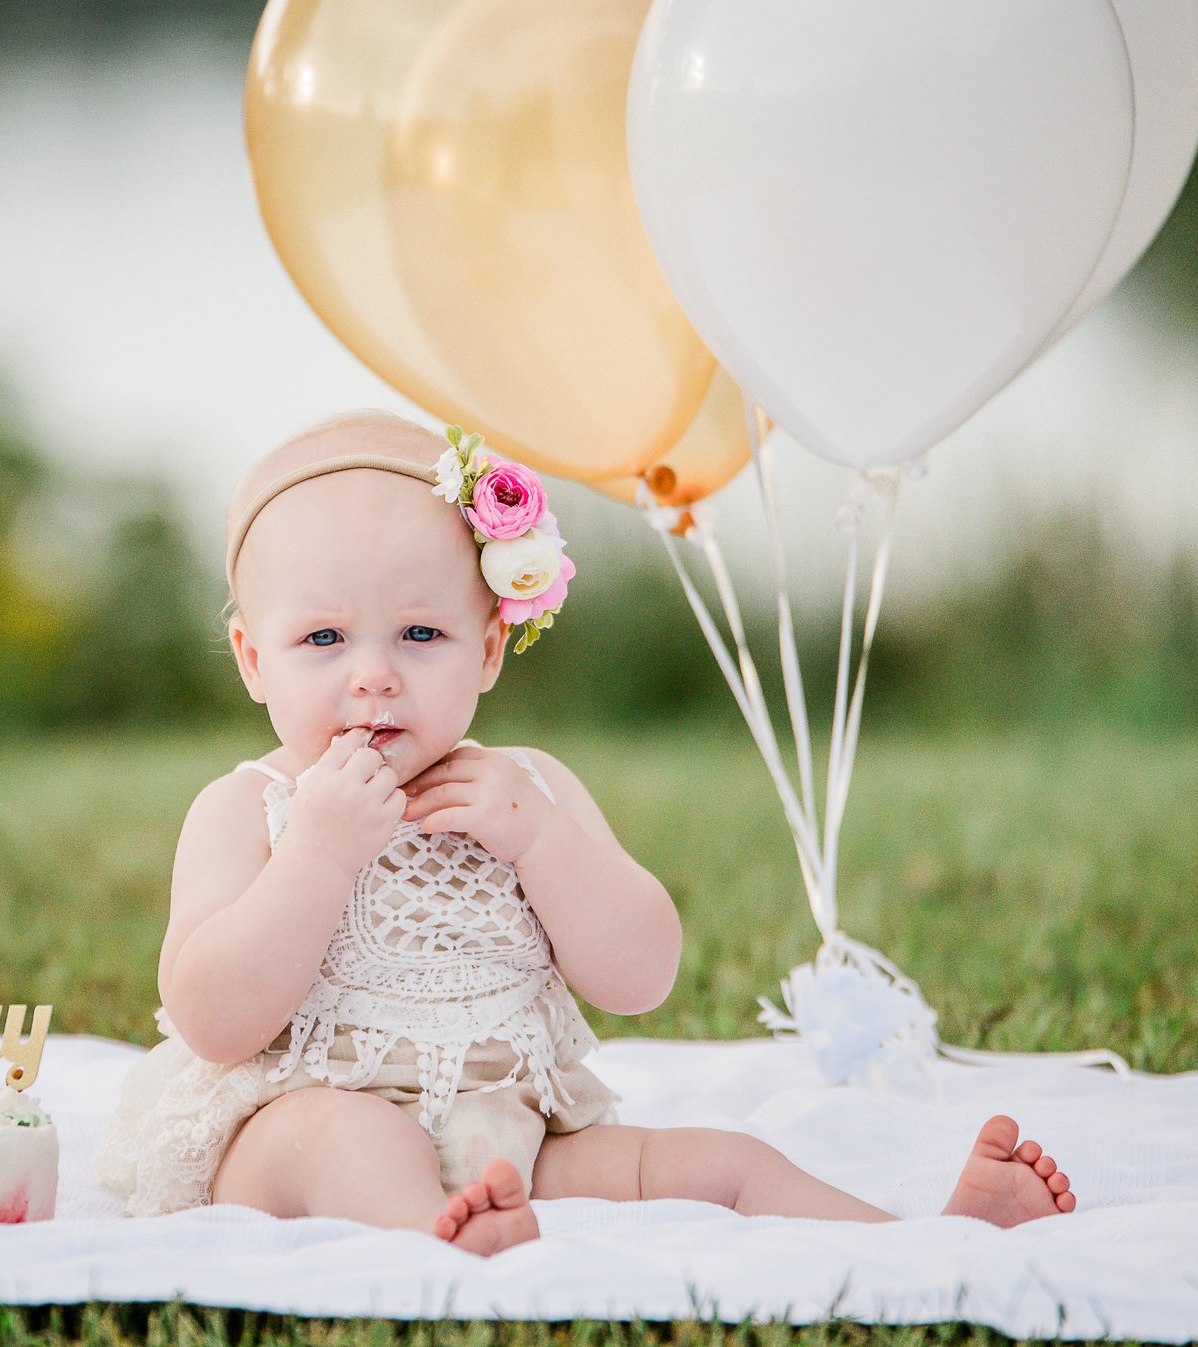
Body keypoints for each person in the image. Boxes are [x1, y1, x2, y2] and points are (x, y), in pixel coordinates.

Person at [92, 409, 1075, 1253]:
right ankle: (437, 1235)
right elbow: (215, 1017)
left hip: (513, 1131)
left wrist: (542, 842)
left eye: (420, 634)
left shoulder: (525, 790)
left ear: (487, 647)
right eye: (323, 639)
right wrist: (316, 854)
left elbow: (641, 972)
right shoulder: (248, 807)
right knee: (350, 1140)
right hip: (290, 1126)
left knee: (717, 1160)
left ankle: (926, 1235)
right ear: (251, 657)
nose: (373, 674)